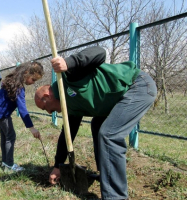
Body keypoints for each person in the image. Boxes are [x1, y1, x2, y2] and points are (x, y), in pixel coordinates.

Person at [34, 46, 157, 200]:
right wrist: (58, 165)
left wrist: (68, 62)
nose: (48, 112)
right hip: (117, 98)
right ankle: (107, 176)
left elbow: (100, 52)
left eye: (45, 107)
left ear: (47, 96)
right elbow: (68, 134)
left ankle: (115, 197)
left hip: (137, 86)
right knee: (98, 126)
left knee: (109, 134)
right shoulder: (70, 106)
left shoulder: (70, 77)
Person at [0, 61, 44, 172]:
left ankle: (5, 162)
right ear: (26, 73)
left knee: (5, 137)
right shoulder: (18, 88)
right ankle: (9, 165)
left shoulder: (11, 82)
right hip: (2, 114)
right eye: (33, 79)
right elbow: (23, 110)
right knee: (10, 136)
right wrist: (31, 127)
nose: (33, 83)